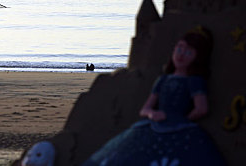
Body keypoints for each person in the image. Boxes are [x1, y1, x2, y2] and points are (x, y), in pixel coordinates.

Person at [82, 26, 226, 166]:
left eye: (188, 52)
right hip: (153, 125)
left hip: (180, 128)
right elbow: (145, 109)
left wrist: (182, 120)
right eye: (179, 48)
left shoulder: (194, 81)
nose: (181, 54)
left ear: (197, 57)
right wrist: (152, 114)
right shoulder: (163, 79)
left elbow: (201, 108)